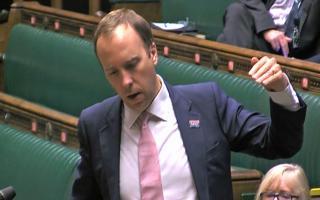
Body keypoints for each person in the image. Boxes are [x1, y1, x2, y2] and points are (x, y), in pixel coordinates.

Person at [71, 8, 307, 200]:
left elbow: (279, 143)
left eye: (132, 64)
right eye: (113, 72)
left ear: (153, 53)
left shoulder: (207, 104)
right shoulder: (95, 124)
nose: (126, 81)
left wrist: (280, 90)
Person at [217, 0, 320, 62]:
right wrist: (267, 28)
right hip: (262, 37)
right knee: (236, 11)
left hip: (296, 54)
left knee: (226, 40)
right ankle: (237, 74)